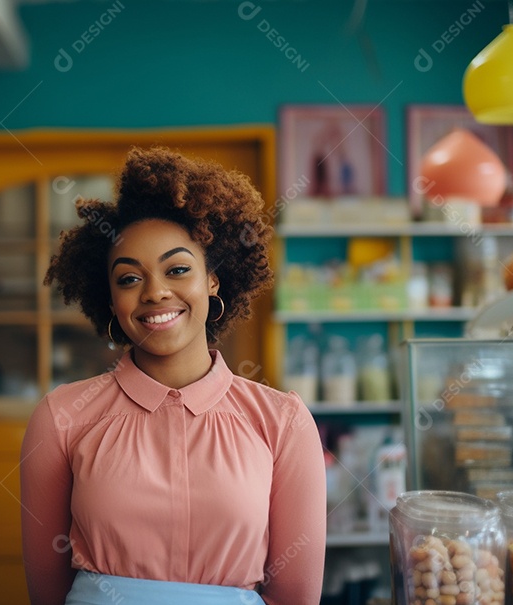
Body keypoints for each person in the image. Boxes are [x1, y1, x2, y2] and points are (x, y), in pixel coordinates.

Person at [21, 146, 326, 605]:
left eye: (178, 269)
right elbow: (47, 591)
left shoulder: (282, 422)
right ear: (110, 299)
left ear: (213, 281)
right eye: (128, 279)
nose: (155, 292)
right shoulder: (61, 418)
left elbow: (295, 595)